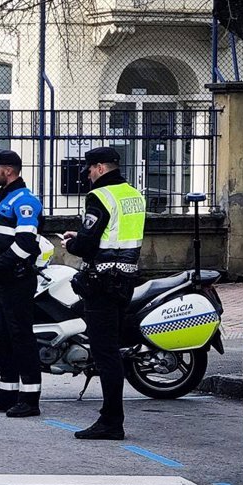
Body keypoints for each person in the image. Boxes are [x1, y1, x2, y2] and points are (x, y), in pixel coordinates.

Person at [62, 146, 146, 441]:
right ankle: (111, 419)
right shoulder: (133, 195)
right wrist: (83, 236)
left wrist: (73, 243)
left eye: (88, 168)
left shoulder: (99, 195)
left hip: (102, 282)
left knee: (105, 353)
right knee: (112, 350)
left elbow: (87, 245)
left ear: (99, 167)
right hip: (125, 280)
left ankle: (111, 420)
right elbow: (114, 234)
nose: (86, 173)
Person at [0, 150, 45, 418]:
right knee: (3, 339)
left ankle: (30, 399)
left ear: (9, 170)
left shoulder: (25, 201)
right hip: (2, 280)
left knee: (21, 338)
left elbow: (26, 244)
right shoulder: (3, 199)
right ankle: (6, 392)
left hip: (17, 279)